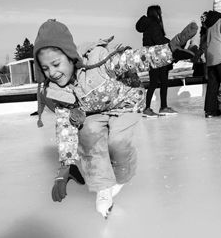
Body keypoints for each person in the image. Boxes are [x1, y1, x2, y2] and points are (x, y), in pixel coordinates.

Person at [33, 19, 196, 218]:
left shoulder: (99, 60)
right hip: (96, 112)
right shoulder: (60, 90)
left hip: (125, 104)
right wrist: (66, 165)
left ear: (69, 56)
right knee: (88, 135)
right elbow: (65, 126)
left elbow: (135, 58)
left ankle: (120, 178)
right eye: (45, 68)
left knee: (117, 143)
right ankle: (103, 188)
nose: (52, 73)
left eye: (56, 64)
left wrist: (168, 50)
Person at [136, 5, 198, 117]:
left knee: (160, 82)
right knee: (158, 82)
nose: (161, 15)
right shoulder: (153, 24)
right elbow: (158, 40)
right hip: (157, 56)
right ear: (156, 13)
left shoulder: (148, 26)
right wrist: (171, 43)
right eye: (160, 13)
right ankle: (150, 108)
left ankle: (160, 107)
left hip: (153, 57)